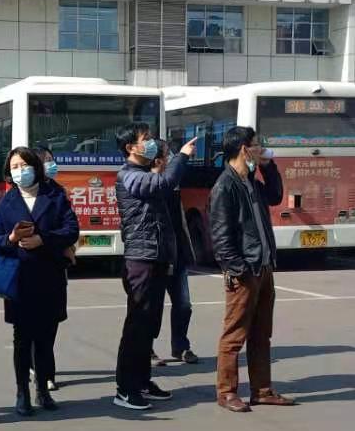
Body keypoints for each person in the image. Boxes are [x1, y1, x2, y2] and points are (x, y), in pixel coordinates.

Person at [0, 147, 81, 416]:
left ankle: (42, 389)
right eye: (14, 167)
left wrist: (43, 239)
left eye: (24, 165)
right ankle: (22, 393)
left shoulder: (54, 195)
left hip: (50, 278)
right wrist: (11, 239)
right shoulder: (7, 202)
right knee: (22, 340)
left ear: (34, 167)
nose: (20, 171)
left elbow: (71, 230)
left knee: (45, 339)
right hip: (19, 282)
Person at [112, 124, 197, 411]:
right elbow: (163, 184)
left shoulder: (146, 173)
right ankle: (125, 389)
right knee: (137, 326)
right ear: (130, 148)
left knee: (149, 325)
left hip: (158, 257)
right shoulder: (129, 175)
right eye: (145, 139)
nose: (150, 143)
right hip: (141, 259)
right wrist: (181, 157)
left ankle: (142, 381)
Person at [208, 126, 292, 412]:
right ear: (244, 149)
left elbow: (276, 195)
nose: (261, 149)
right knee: (234, 335)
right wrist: (238, 268)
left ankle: (262, 390)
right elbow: (221, 237)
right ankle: (227, 392)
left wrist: (268, 167)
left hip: (263, 266)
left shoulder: (251, 182)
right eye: (257, 145)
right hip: (245, 271)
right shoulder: (225, 186)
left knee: (261, 333)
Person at [28, 146, 72, 393]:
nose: (51, 164)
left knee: (52, 322)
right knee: (34, 325)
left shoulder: (58, 192)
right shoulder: (22, 194)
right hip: (30, 268)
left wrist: (63, 243)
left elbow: (70, 228)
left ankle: (41, 367)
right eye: (46, 161)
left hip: (55, 266)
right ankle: (42, 372)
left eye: (52, 160)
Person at [150, 147, 198, 367]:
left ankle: (180, 346)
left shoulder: (173, 183)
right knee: (153, 306)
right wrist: (182, 156)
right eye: (167, 154)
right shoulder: (149, 185)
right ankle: (147, 348)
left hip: (178, 254)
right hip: (157, 256)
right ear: (157, 160)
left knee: (183, 304)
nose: (170, 159)